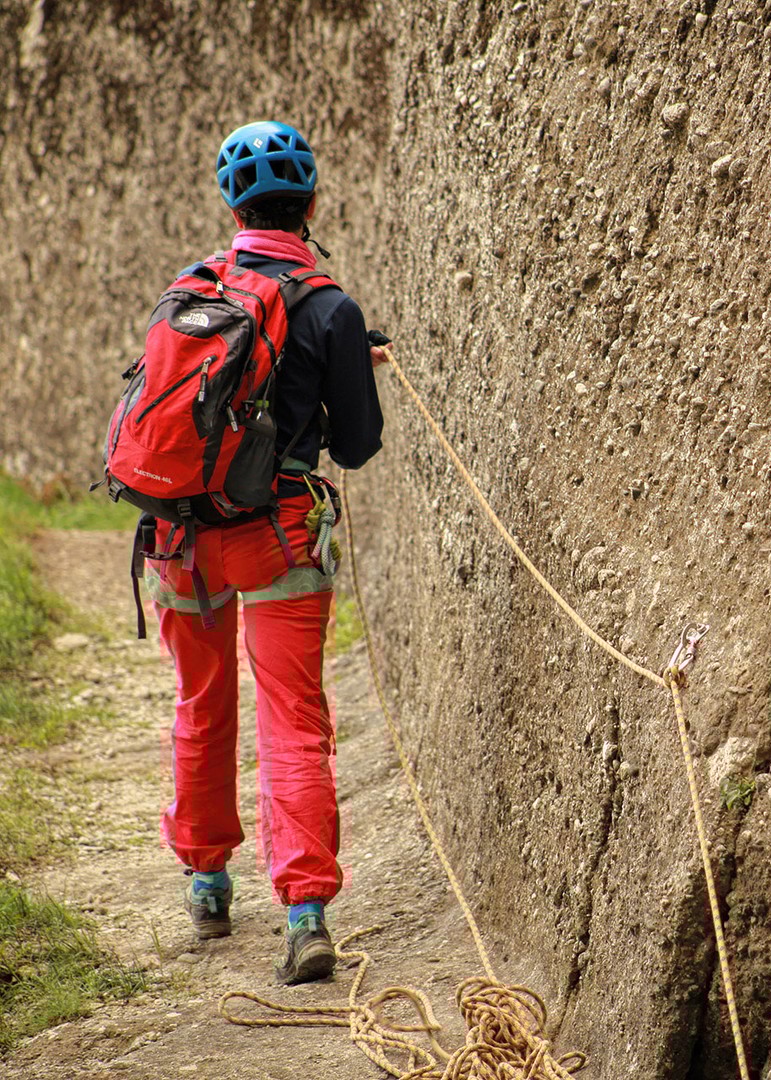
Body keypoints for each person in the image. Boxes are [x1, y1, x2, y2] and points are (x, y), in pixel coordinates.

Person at [143, 120, 387, 984]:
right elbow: (355, 446)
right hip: (277, 537)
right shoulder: (331, 308)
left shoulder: (191, 290)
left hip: (181, 538)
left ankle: (208, 883)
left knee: (201, 703)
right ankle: (305, 913)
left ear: (232, 207)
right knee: (293, 718)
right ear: (311, 203)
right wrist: (350, 365)